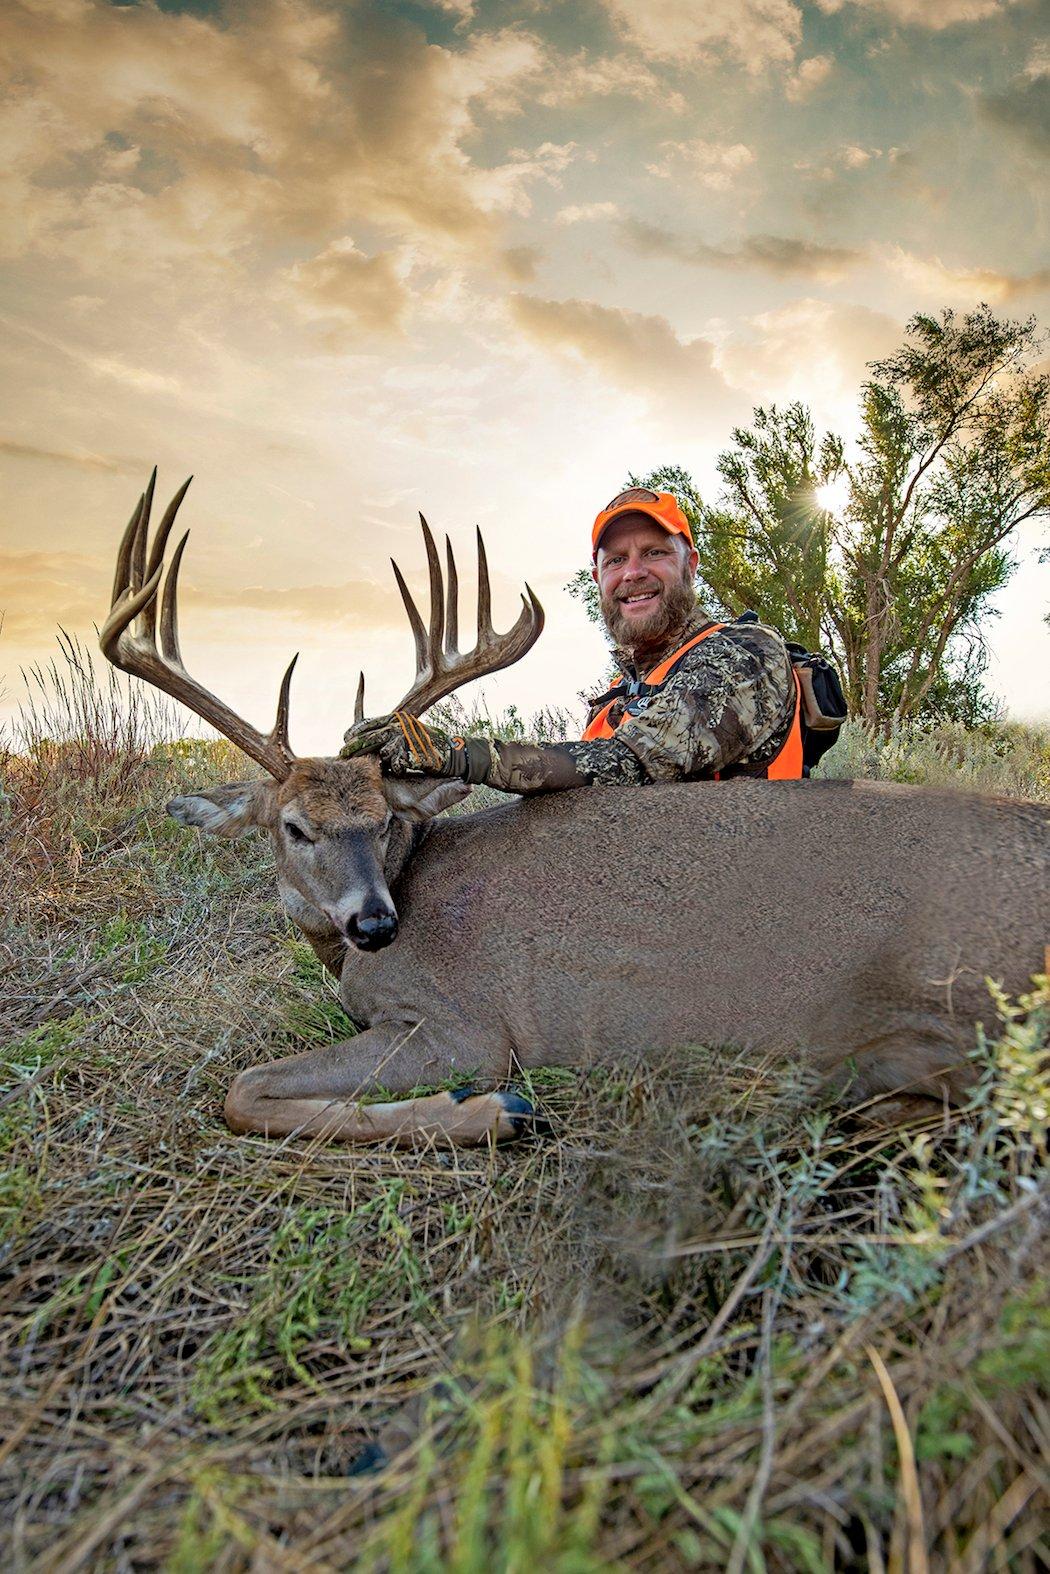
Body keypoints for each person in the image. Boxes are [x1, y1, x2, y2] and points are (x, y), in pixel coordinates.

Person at [341, 487, 801, 791]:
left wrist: (460, 755)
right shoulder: (614, 704)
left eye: (654, 552)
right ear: (598, 577)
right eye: (615, 560)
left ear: (691, 564)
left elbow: (631, 763)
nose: (633, 573)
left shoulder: (745, 654)